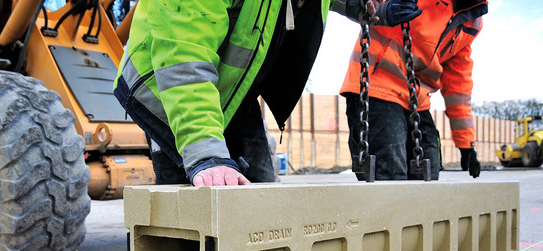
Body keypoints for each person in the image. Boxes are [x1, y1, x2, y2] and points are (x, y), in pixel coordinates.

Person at [114, 0, 419, 188]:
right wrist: (205, 154)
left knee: (261, 196)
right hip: (166, 90)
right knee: (189, 210)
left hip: (232, 91)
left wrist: (361, 5)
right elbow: (183, 58)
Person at [340, 0, 488, 181]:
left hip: (416, 99)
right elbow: (366, 5)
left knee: (429, 171)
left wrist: (466, 144)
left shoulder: (472, 19)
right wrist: (384, 10)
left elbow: (458, 84)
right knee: (389, 175)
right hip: (377, 85)